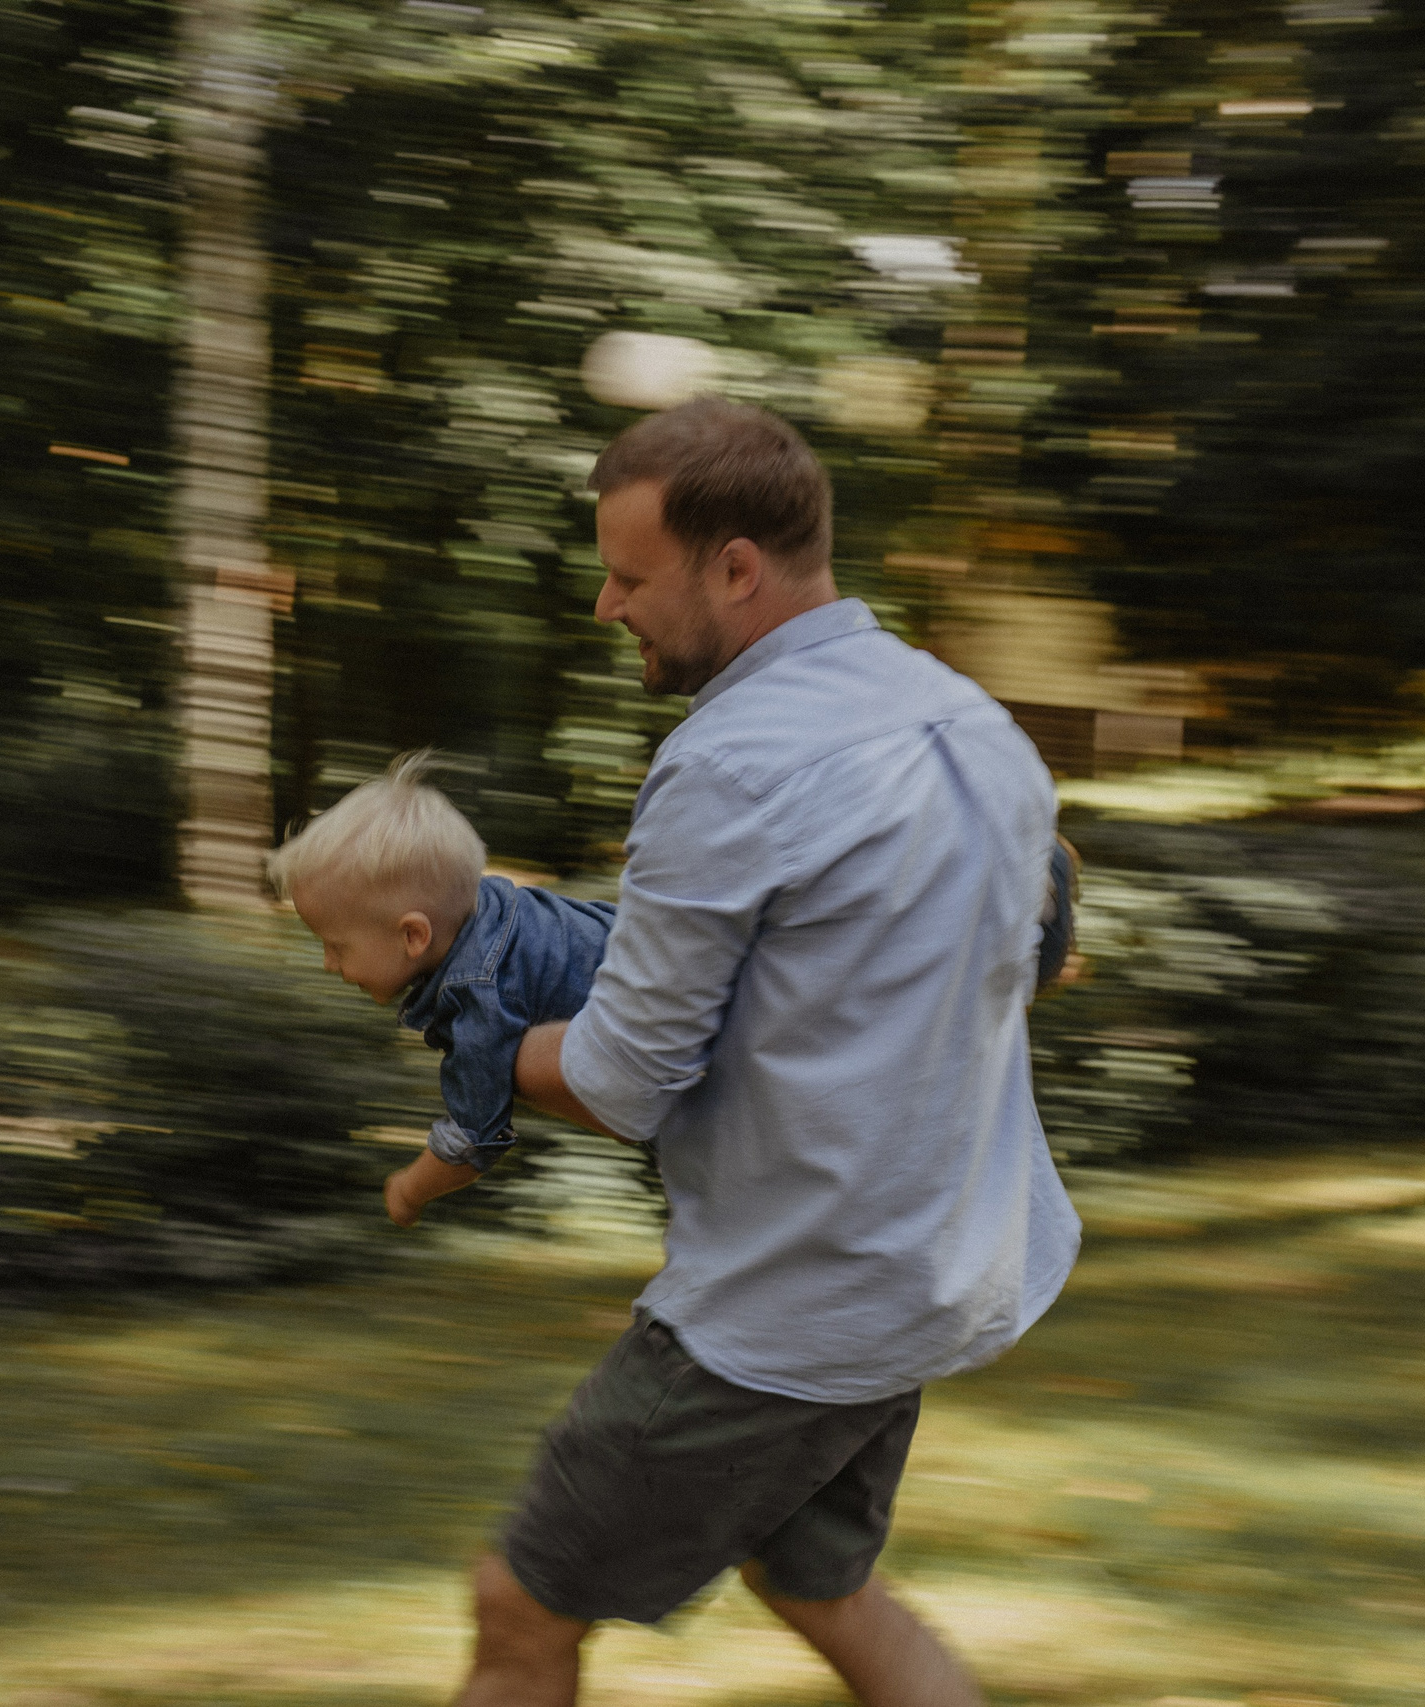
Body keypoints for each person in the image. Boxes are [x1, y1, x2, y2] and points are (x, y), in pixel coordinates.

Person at [454, 398, 1082, 1707]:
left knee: (523, 1600)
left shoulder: (729, 763)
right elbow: (1025, 955)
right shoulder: (975, 723)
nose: (607, 606)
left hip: (787, 1314)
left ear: (733, 567)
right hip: (937, 1271)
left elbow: (623, 1084)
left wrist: (467, 1035)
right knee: (820, 1586)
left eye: (630, 577)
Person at [265, 752, 619, 1228]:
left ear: (414, 935)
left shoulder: (479, 994)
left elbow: (476, 1136)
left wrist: (409, 1190)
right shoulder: (493, 910)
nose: (329, 964)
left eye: (337, 945)